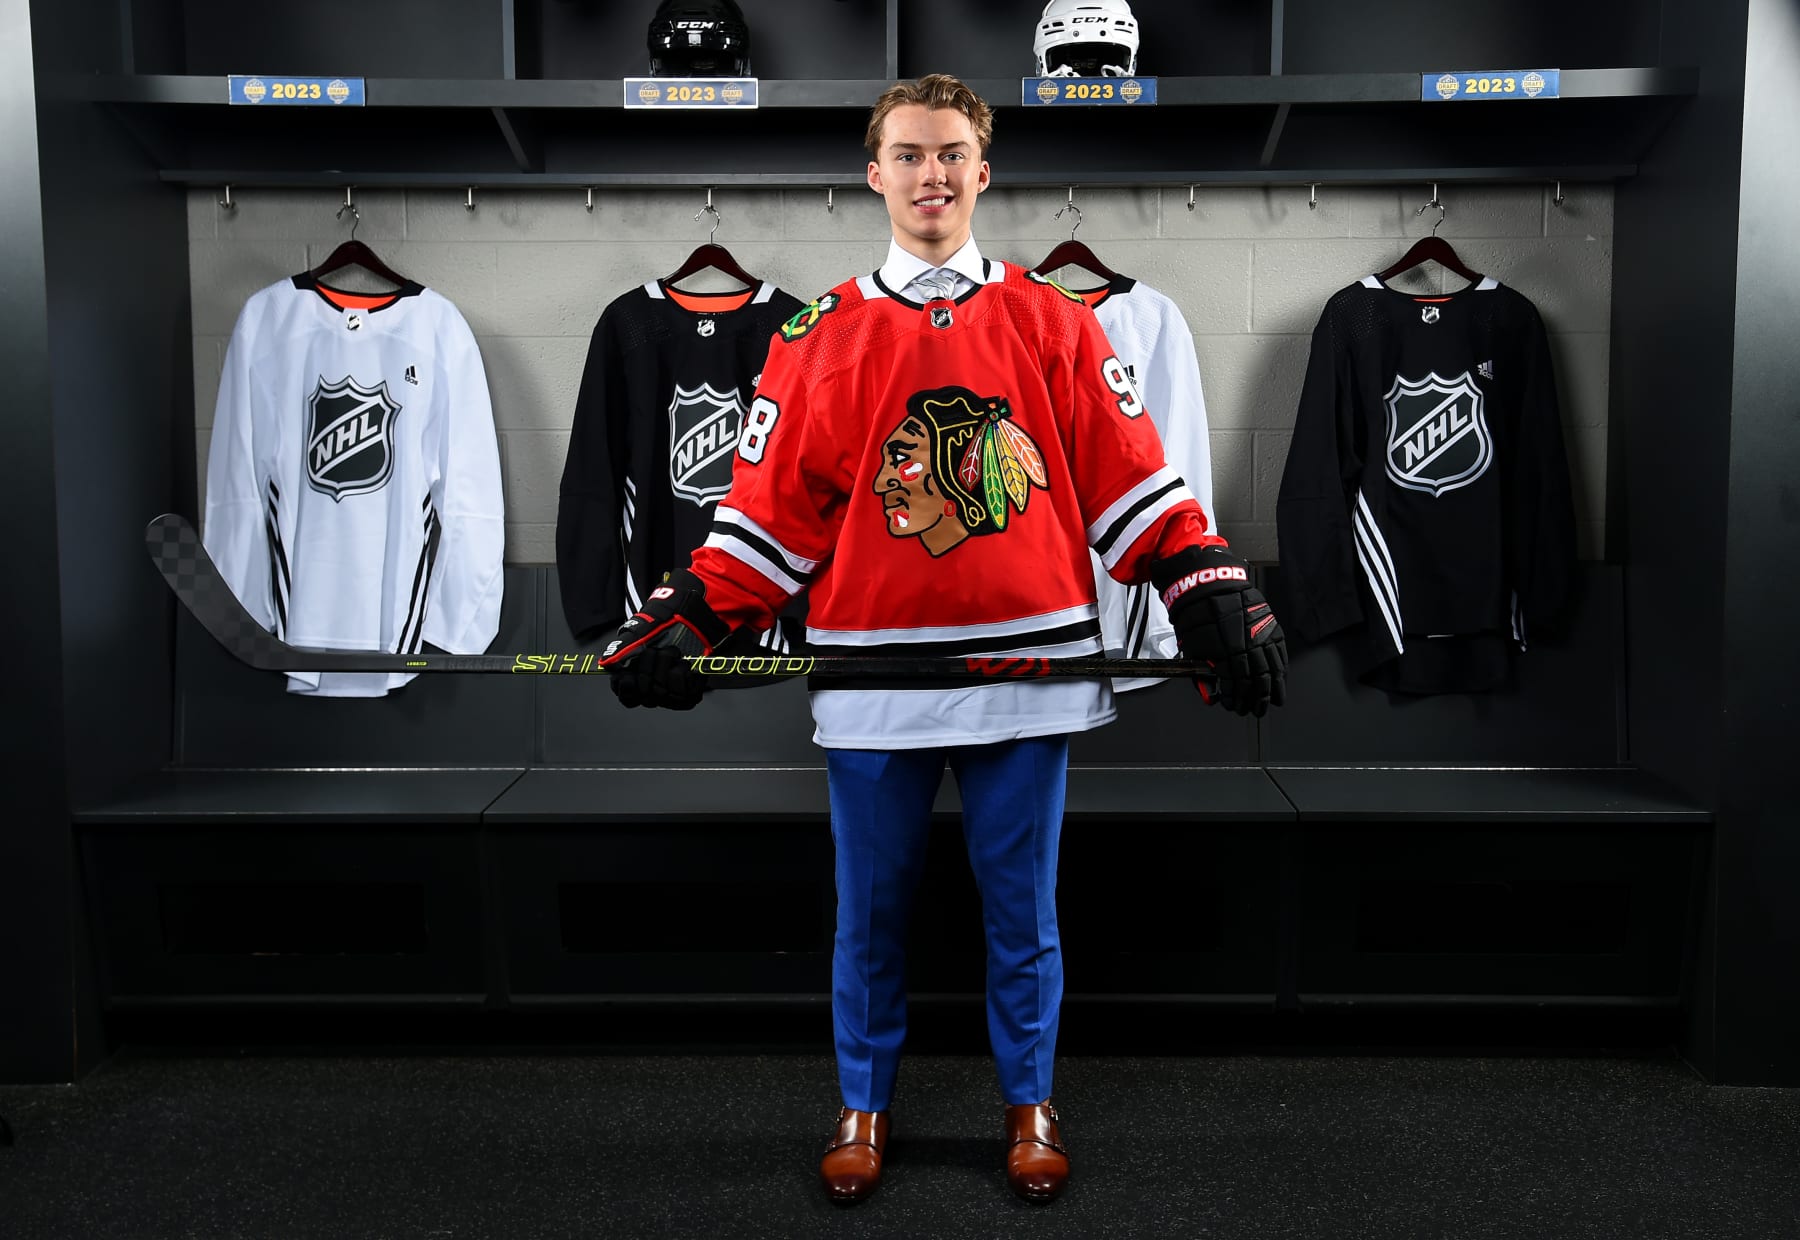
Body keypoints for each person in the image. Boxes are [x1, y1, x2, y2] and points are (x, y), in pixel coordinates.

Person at [598, 74, 1287, 1204]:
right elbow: (769, 515)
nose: (934, 174)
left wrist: (1204, 583)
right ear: (875, 174)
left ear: (983, 169)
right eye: (911, 155)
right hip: (873, 676)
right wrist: (691, 615)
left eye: (954, 153)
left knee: (1023, 909)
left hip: (1029, 668)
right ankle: (862, 1102)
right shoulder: (816, 336)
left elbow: (1135, 485)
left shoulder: (1054, 322)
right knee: (869, 912)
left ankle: (1031, 1103)